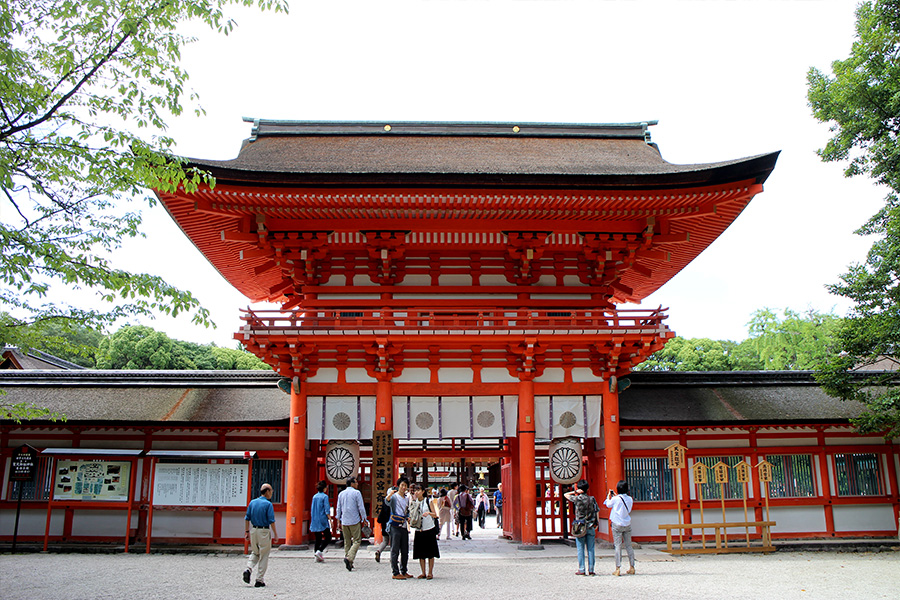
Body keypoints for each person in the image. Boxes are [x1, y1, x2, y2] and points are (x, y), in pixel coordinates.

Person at [243, 483, 279, 588]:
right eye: (271, 490)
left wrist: (247, 531)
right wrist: (275, 534)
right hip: (264, 531)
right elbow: (271, 521)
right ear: (267, 491)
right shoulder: (268, 504)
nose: (272, 493)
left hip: (253, 530)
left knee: (255, 552)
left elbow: (247, 518)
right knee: (264, 554)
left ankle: (248, 568)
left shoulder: (252, 502)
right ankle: (259, 579)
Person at [564, 479, 600, 576]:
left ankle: (582, 569)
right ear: (587, 489)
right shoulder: (592, 499)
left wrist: (575, 492)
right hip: (590, 525)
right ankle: (591, 569)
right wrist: (597, 523)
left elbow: (566, 495)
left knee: (580, 548)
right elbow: (597, 511)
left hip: (580, 527)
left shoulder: (577, 499)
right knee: (591, 548)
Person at [335, 476, 368, 572]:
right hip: (354, 520)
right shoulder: (356, 493)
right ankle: (349, 558)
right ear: (352, 483)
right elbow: (361, 507)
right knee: (357, 540)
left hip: (344, 520)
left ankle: (349, 560)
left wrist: (338, 520)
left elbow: (338, 508)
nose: (357, 484)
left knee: (347, 541)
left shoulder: (341, 494)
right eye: (356, 482)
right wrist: (364, 518)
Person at [605, 480, 636, 576]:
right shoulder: (630, 499)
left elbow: (608, 504)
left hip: (617, 524)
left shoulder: (616, 499)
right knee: (629, 546)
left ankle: (618, 568)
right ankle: (632, 567)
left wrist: (608, 497)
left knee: (618, 546)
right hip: (627, 523)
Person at [410, 484, 440, 579]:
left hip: (429, 528)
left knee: (430, 552)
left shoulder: (428, 501)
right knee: (420, 553)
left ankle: (430, 572)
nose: (416, 492)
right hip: (419, 529)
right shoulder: (414, 502)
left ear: (423, 491)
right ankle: (423, 572)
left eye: (418, 490)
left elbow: (435, 515)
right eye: (415, 490)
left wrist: (429, 513)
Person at [385, 476, 412, 580]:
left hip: (404, 525)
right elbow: (387, 502)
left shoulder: (406, 498)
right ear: (398, 486)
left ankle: (404, 570)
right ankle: (395, 572)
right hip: (395, 525)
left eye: (405, 485)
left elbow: (407, 511)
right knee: (395, 549)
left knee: (405, 550)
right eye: (402, 485)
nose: (404, 487)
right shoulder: (394, 497)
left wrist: (408, 517)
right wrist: (389, 495)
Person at [310, 480, 331, 563]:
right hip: (322, 519)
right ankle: (320, 551)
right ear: (325, 488)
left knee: (318, 538)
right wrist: (330, 519)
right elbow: (327, 509)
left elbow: (312, 509)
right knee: (328, 537)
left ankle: (316, 554)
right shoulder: (325, 497)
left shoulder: (314, 497)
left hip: (315, 518)